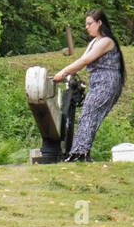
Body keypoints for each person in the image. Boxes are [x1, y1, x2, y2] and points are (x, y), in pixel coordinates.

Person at [53, 10, 125, 161]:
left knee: (88, 113)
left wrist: (63, 72)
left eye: (89, 23)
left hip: (107, 83)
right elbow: (82, 58)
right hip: (97, 83)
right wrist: (66, 73)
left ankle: (80, 153)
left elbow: (86, 61)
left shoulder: (106, 41)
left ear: (99, 23)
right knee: (88, 115)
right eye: (85, 24)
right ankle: (79, 152)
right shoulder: (94, 42)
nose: (86, 27)